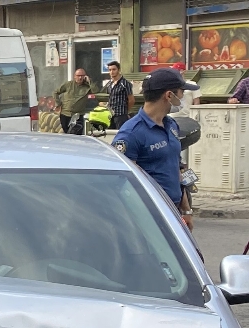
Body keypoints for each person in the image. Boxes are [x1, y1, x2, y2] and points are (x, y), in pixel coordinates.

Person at [114, 67, 198, 226]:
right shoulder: (131, 134)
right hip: (147, 213)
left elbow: (177, 169)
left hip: (173, 210)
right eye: (181, 92)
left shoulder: (171, 124)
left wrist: (186, 210)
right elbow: (121, 183)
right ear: (169, 95)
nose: (183, 97)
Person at [54, 67, 95, 134]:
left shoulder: (87, 87)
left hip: (78, 115)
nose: (80, 78)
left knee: (76, 136)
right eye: (78, 76)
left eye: (82, 76)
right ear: (74, 76)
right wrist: (58, 103)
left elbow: (96, 92)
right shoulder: (68, 84)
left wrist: (90, 82)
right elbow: (55, 92)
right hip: (65, 114)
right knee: (66, 133)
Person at [102, 61, 133, 129]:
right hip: (110, 115)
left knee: (120, 134)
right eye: (110, 70)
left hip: (121, 114)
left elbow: (131, 100)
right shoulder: (109, 84)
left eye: (114, 69)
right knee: (109, 135)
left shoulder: (125, 83)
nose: (112, 72)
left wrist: (126, 111)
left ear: (118, 70)